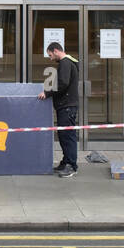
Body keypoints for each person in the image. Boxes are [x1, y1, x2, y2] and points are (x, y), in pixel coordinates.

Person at [38, 42, 79, 177]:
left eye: (50, 55)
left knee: (67, 137)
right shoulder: (68, 62)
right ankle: (66, 161)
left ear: (56, 51)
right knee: (63, 136)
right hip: (66, 106)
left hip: (67, 106)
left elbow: (62, 83)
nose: (50, 58)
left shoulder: (65, 63)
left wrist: (47, 92)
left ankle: (71, 166)